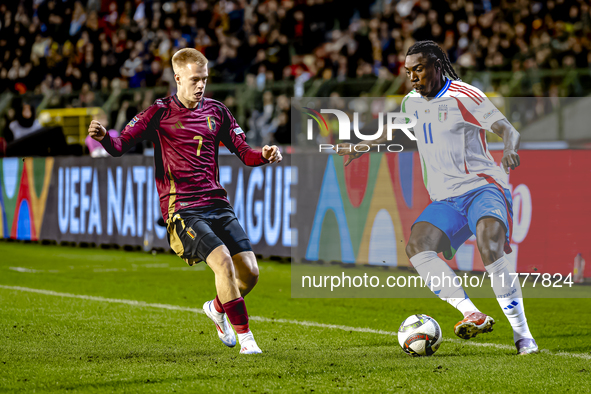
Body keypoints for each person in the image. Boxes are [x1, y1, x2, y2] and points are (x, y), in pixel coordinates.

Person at [335, 40, 538, 355]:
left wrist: (510, 148)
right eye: (408, 72)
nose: (413, 77)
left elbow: (508, 130)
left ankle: (523, 336)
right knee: (417, 245)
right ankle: (469, 312)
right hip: (445, 199)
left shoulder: (464, 96)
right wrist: (360, 147)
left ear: (437, 67)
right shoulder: (410, 102)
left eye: (418, 69)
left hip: (482, 187)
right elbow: (395, 131)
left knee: (490, 248)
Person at [88, 48, 282, 355]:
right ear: (178, 78)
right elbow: (120, 144)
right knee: (223, 263)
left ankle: (217, 308)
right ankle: (247, 341)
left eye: (204, 79)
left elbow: (245, 153)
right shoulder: (159, 113)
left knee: (251, 273)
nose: (201, 85)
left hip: (218, 205)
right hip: (182, 210)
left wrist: (266, 155)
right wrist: (104, 138)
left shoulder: (217, 111)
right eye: (195, 79)